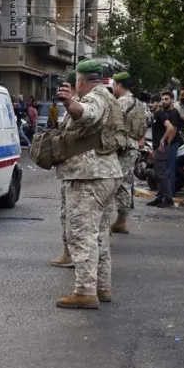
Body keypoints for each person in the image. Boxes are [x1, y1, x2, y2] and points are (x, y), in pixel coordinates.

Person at [54, 60, 126, 309]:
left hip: (89, 176)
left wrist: (69, 104)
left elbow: (86, 114)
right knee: (99, 235)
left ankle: (85, 291)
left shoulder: (94, 99)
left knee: (82, 234)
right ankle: (102, 287)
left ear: (81, 81)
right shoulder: (110, 98)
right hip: (108, 174)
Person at [110, 72, 147, 234]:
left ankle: (105, 221)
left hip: (121, 147)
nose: (112, 88)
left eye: (113, 85)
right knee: (125, 183)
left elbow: (110, 122)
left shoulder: (121, 102)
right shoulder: (140, 103)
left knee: (110, 182)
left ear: (119, 85)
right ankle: (122, 220)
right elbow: (146, 122)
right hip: (132, 147)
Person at [50, 71, 77, 269]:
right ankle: (68, 253)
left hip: (79, 171)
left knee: (74, 218)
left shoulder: (81, 106)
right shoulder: (72, 108)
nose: (63, 90)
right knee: (66, 215)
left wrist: (70, 103)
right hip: (71, 169)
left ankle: (75, 257)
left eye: (67, 86)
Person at [149, 91, 182, 208]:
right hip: (158, 148)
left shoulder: (161, 114)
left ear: (158, 103)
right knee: (159, 174)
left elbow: (171, 127)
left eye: (153, 102)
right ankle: (160, 197)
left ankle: (168, 199)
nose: (150, 104)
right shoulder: (157, 114)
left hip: (161, 149)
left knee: (162, 174)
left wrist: (163, 141)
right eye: (150, 102)